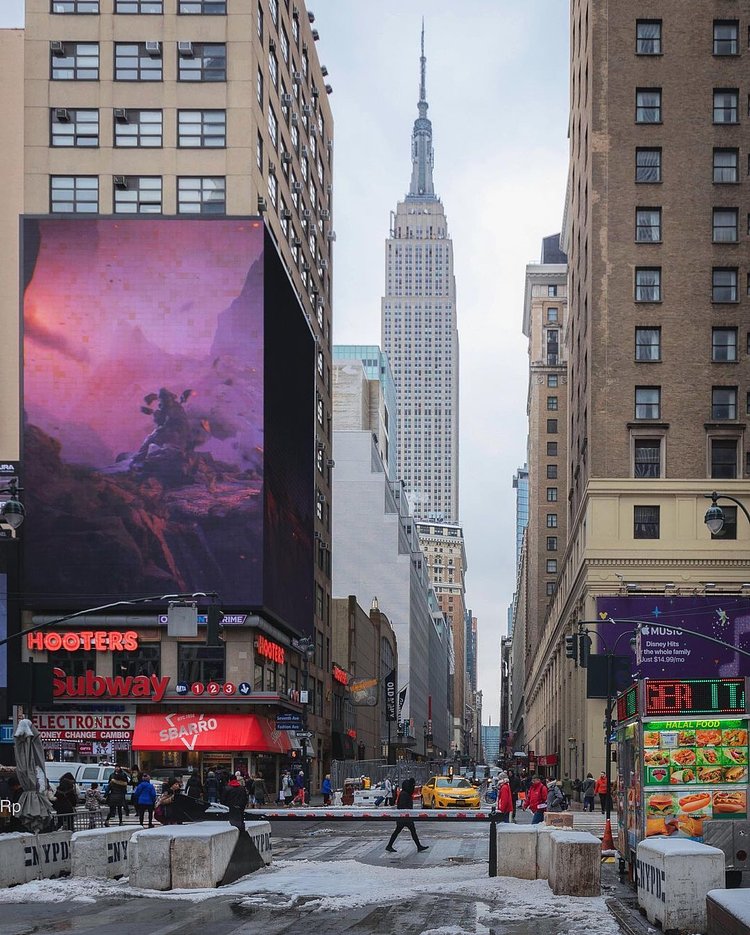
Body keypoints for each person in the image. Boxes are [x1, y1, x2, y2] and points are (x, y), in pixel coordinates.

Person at [385, 777, 428, 853]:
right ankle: (418, 846)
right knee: (410, 831)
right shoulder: (405, 794)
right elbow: (403, 806)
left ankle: (389, 845)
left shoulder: (404, 793)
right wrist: (406, 814)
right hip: (405, 817)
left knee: (401, 831)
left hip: (404, 817)